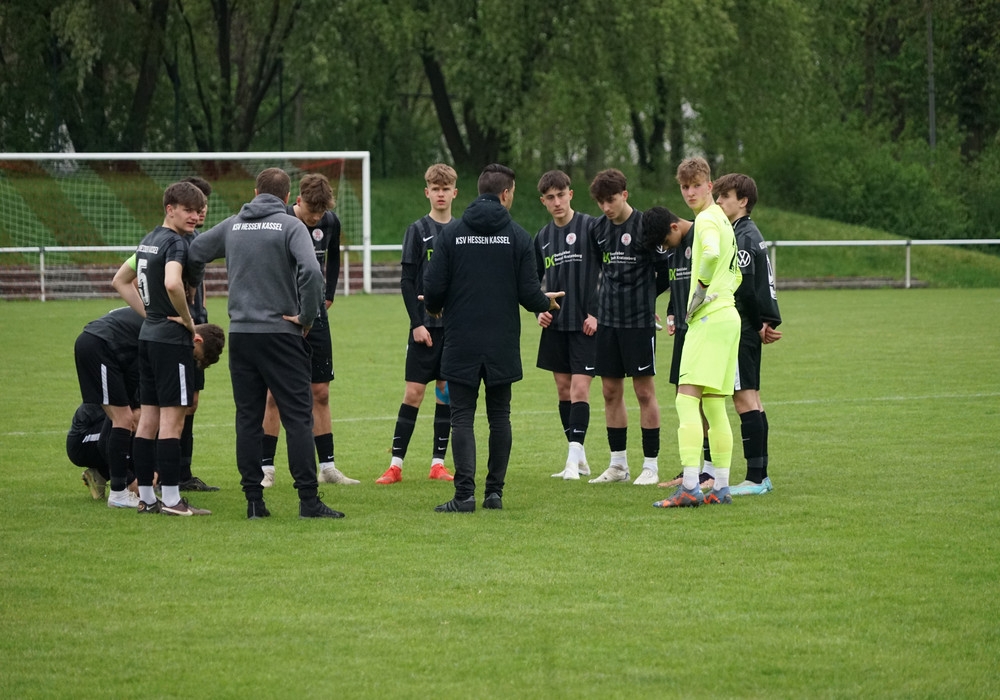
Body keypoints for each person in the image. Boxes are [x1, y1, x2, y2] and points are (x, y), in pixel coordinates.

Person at [187, 167, 345, 519]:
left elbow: (195, 250)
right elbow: (312, 273)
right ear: (288, 198)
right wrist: (306, 317)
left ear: (255, 192)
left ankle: (254, 502)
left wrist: (192, 287)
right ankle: (308, 501)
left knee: (248, 417)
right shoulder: (291, 226)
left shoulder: (232, 225)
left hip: (242, 335)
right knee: (298, 417)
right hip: (281, 334)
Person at [422, 163, 563, 512]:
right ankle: (494, 493)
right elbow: (529, 294)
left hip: (461, 339)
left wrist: (435, 308)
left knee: (462, 416)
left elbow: (433, 286)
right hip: (502, 341)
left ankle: (464, 496)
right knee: (500, 416)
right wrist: (547, 302)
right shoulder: (518, 236)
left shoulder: (452, 234)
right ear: (506, 194)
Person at [112, 181, 214, 516]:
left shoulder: (149, 240)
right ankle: (172, 500)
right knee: (172, 423)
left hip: (148, 338)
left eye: (197, 211)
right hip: (171, 343)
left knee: (147, 422)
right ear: (170, 209)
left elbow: (120, 280)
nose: (194, 217)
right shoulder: (176, 243)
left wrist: (150, 315)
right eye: (187, 211)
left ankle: (146, 498)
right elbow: (172, 282)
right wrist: (187, 320)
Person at [259, 173, 359, 488]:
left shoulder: (330, 222)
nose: (316, 218)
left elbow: (333, 258)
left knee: (321, 392)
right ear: (298, 200)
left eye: (321, 212)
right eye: (312, 211)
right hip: (283, 315)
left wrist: (328, 294)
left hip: (316, 314)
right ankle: (266, 468)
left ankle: (327, 467)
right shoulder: (281, 222)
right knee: (274, 394)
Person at [653, 156, 742, 508]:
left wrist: (702, 290)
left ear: (710, 185)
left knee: (686, 399)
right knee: (715, 404)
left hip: (708, 318)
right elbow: (736, 273)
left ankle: (690, 486)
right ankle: (721, 487)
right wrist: (721, 292)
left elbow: (711, 254)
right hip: (728, 317)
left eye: (696, 185)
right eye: (684, 187)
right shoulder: (724, 219)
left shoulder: (705, 220)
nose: (690, 192)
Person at [73, 304, 224, 507]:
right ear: (197, 340)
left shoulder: (165, 331)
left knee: (129, 418)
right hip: (99, 345)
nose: (189, 359)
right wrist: (133, 479)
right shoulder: (170, 335)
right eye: (194, 355)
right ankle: (119, 492)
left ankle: (115, 483)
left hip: (110, 351)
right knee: (124, 419)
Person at [586, 168, 670, 487]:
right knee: (610, 391)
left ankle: (650, 465)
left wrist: (647, 299)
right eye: (600, 202)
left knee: (644, 391)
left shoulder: (646, 225)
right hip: (608, 321)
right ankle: (618, 465)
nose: (606, 207)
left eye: (611, 200)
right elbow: (601, 269)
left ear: (625, 194)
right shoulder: (597, 229)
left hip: (638, 322)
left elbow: (664, 272)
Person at [376, 163, 458, 485]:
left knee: (446, 392)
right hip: (423, 328)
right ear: (427, 192)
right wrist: (416, 323)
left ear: (455, 192)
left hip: (452, 330)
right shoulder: (417, 229)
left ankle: (438, 464)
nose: (440, 194)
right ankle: (395, 465)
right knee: (413, 393)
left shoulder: (461, 231)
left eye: (446, 189)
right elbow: (407, 281)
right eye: (435, 189)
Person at [712, 172, 782, 496]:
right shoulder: (748, 233)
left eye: (725, 196)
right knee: (753, 398)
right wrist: (766, 321)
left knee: (743, 399)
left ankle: (755, 478)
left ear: (743, 201)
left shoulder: (741, 237)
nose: (718, 201)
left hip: (741, 327)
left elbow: (747, 290)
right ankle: (761, 476)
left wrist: (756, 324)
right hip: (749, 326)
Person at [640, 209, 717, 492]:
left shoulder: (704, 234)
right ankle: (693, 470)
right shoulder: (673, 247)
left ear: (674, 227)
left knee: (706, 401)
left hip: (706, 330)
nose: (665, 248)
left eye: (665, 242)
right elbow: (679, 283)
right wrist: (672, 310)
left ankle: (710, 470)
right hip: (684, 333)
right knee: (684, 399)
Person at [533, 170, 600, 480]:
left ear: (570, 194)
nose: (557, 201)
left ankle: (572, 463)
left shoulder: (591, 227)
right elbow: (531, 283)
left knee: (579, 389)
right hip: (556, 325)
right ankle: (580, 458)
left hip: (586, 324)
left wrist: (597, 313)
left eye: (561, 195)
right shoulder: (542, 238)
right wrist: (539, 310)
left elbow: (610, 271)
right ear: (543, 201)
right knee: (563, 390)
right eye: (551, 197)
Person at [177, 175, 219, 492]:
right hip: (182, 334)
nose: (201, 210)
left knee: (189, 404)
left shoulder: (197, 239)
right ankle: (173, 474)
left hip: (196, 330)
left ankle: (182, 472)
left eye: (204, 205)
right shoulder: (177, 242)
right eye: (195, 205)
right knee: (179, 405)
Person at [66, 403, 136, 500]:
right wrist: (131, 479)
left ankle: (99, 475)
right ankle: (128, 487)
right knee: (126, 431)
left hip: (95, 432)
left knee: (135, 427)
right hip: (81, 441)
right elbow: (104, 444)